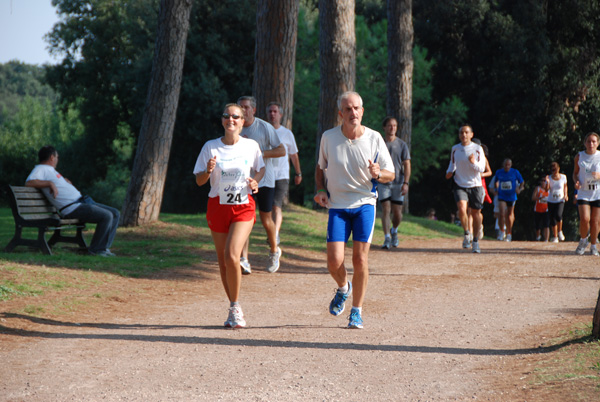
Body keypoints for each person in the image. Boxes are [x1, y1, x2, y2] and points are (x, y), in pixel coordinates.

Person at [314, 91, 394, 329]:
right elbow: (320, 168)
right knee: (333, 261)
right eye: (348, 109)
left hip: (364, 204)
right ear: (341, 113)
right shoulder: (328, 137)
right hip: (337, 206)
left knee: (360, 259)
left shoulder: (374, 138)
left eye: (356, 108)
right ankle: (343, 288)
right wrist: (320, 190)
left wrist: (378, 173)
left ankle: (356, 311)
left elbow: (391, 174)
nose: (353, 113)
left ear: (362, 111)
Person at [193, 103, 265, 328]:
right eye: (226, 116)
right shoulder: (210, 147)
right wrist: (208, 170)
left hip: (243, 206)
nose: (230, 120)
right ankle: (232, 305)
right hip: (217, 206)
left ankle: (235, 308)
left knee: (233, 255)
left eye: (235, 116)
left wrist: (256, 181)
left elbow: (260, 168)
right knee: (223, 260)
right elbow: (199, 181)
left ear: (243, 121)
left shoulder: (251, 145)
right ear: (222, 120)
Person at [25, 146, 120, 257]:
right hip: (73, 207)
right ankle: (96, 250)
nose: (57, 160)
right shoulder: (40, 168)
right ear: (52, 157)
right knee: (106, 216)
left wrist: (63, 182)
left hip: (82, 201)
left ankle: (104, 248)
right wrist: (50, 183)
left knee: (115, 213)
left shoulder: (50, 170)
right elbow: (29, 182)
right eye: (57, 157)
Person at [237, 96, 286, 274]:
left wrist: (259, 153)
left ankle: (274, 251)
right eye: (240, 107)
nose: (243, 110)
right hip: (242, 181)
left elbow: (281, 150)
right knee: (244, 220)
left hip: (265, 180)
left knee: (266, 219)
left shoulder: (264, 127)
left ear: (254, 110)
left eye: (246, 107)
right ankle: (244, 259)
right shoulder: (235, 126)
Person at [445, 125, 487, 253]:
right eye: (461, 133)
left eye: (466, 132)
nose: (463, 135)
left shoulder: (478, 149)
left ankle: (475, 241)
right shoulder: (455, 149)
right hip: (460, 184)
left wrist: (473, 162)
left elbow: (482, 168)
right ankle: (466, 233)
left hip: (475, 185)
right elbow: (452, 165)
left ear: (471, 134)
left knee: (476, 213)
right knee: (462, 209)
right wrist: (449, 172)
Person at [266, 101, 302, 246]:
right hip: (265, 175)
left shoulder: (287, 133)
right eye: (270, 111)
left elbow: (294, 155)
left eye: (275, 111)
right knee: (267, 208)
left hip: (282, 175)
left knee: (276, 205)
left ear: (280, 115)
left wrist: (298, 173)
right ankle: (271, 231)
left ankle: (275, 234)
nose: (272, 114)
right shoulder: (263, 131)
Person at [378, 116, 411, 249]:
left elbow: (407, 164)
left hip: (398, 182)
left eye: (395, 126)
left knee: (397, 212)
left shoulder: (402, 145)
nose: (392, 128)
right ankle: (386, 238)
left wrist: (406, 182)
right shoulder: (379, 144)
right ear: (384, 127)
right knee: (386, 209)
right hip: (383, 181)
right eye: (390, 125)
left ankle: (394, 230)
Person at [573, 132, 600, 256]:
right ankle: (583, 240)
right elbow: (575, 173)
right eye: (589, 141)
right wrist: (576, 182)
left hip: (597, 193)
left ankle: (593, 246)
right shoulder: (579, 156)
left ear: (598, 143)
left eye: (594, 141)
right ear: (585, 143)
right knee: (584, 219)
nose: (591, 144)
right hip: (584, 192)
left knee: (595, 221)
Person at [494, 159, 525, 242]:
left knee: (509, 214)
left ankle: (509, 233)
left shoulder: (515, 172)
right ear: (503, 165)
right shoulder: (499, 172)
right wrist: (496, 188)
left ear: (511, 165)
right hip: (502, 195)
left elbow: (522, 182)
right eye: (505, 165)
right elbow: (496, 181)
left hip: (511, 196)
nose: (507, 166)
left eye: (508, 165)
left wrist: (519, 188)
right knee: (501, 213)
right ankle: (501, 231)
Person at [546, 161, 568, 243]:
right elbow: (546, 189)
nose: (554, 172)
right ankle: (555, 236)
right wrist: (547, 182)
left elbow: (565, 187)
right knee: (552, 218)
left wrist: (566, 195)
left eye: (555, 170)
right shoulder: (549, 178)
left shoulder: (563, 177)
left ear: (558, 169)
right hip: (551, 200)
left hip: (560, 199)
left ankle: (560, 231)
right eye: (552, 170)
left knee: (558, 215)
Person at [532, 177, 550, 242]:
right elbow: (533, 198)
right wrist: (539, 197)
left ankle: (546, 239)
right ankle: (538, 237)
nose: (543, 182)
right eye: (542, 180)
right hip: (537, 209)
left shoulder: (549, 190)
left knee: (546, 225)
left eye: (545, 181)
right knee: (537, 225)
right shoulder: (538, 189)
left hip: (546, 210)